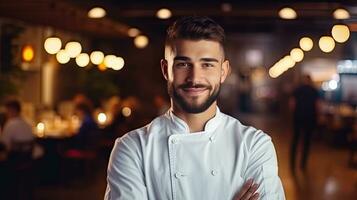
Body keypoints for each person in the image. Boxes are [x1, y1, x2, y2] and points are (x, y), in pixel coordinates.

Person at [105, 16, 285, 200]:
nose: (195, 78)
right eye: (183, 64)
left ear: (223, 72)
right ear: (165, 69)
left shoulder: (254, 145)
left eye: (207, 64)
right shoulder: (132, 148)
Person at [290, 74, 320, 171]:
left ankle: (292, 163)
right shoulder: (314, 90)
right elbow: (317, 105)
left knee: (295, 140)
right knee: (307, 141)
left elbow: (292, 104)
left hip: (298, 117)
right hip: (310, 118)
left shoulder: (297, 90)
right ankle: (303, 164)